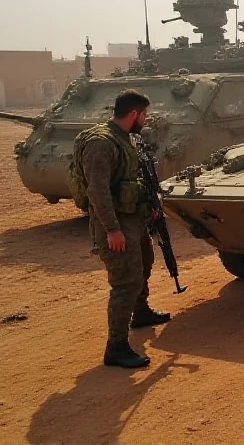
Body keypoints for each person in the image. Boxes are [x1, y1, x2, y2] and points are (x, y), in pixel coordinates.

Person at [77, 89, 171, 368]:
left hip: (134, 218)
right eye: (144, 115)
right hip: (116, 223)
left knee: (144, 263)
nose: (146, 119)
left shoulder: (125, 138)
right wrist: (112, 230)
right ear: (133, 114)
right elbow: (97, 191)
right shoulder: (101, 144)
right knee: (125, 283)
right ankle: (116, 347)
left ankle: (140, 312)